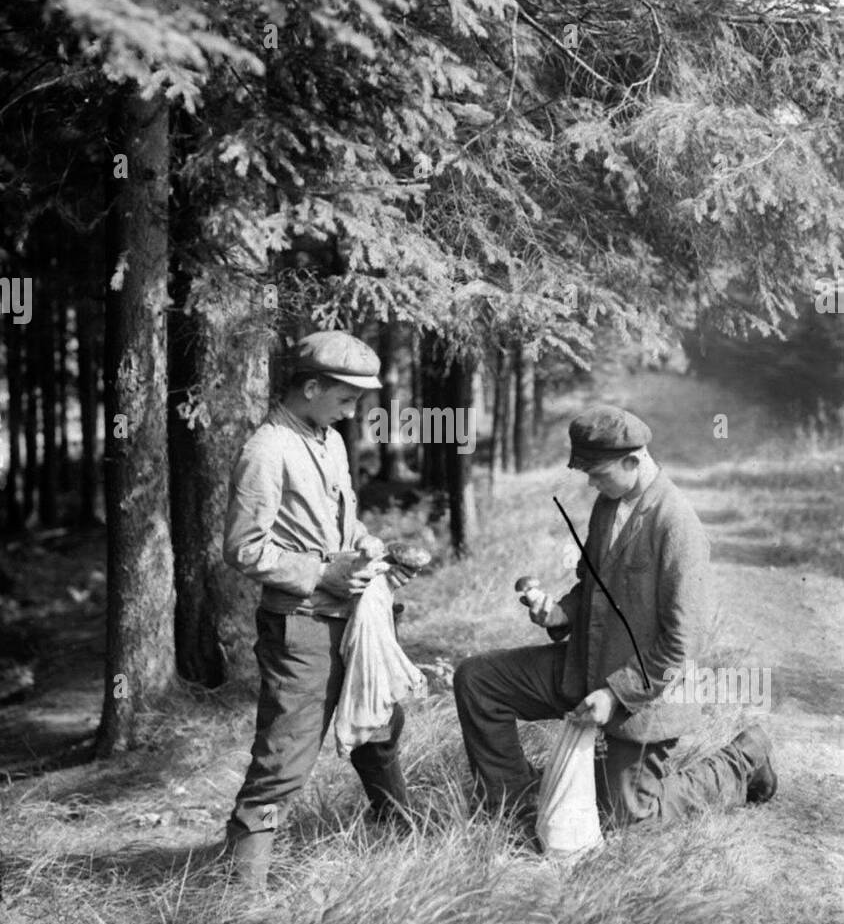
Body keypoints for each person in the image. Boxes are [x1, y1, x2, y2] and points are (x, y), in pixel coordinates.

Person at [453, 404, 777, 839]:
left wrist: (616, 695)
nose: (591, 482)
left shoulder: (676, 524)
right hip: (585, 666)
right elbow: (592, 584)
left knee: (626, 819)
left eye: (599, 472)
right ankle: (518, 802)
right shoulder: (610, 505)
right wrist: (560, 611)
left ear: (634, 460)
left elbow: (683, 643)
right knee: (478, 680)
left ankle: (743, 760)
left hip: (647, 696)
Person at [222, 331, 413, 892]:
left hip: (349, 616)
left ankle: (403, 836)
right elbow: (243, 548)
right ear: (310, 387)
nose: (354, 411)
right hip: (301, 625)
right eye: (347, 398)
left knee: (378, 728)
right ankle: (242, 894)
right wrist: (321, 573)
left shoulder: (325, 439)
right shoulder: (267, 450)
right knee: (284, 759)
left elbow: (340, 526)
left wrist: (373, 554)